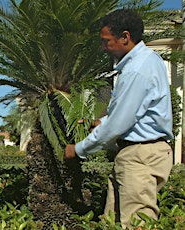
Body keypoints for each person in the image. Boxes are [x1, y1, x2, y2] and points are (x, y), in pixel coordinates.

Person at [64, 9, 173, 228]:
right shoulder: (147, 61)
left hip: (140, 156)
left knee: (135, 224)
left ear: (125, 36)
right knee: (112, 222)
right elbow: (132, 114)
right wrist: (100, 123)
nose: (103, 47)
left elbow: (118, 124)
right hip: (138, 154)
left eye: (106, 41)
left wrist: (79, 150)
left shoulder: (136, 70)